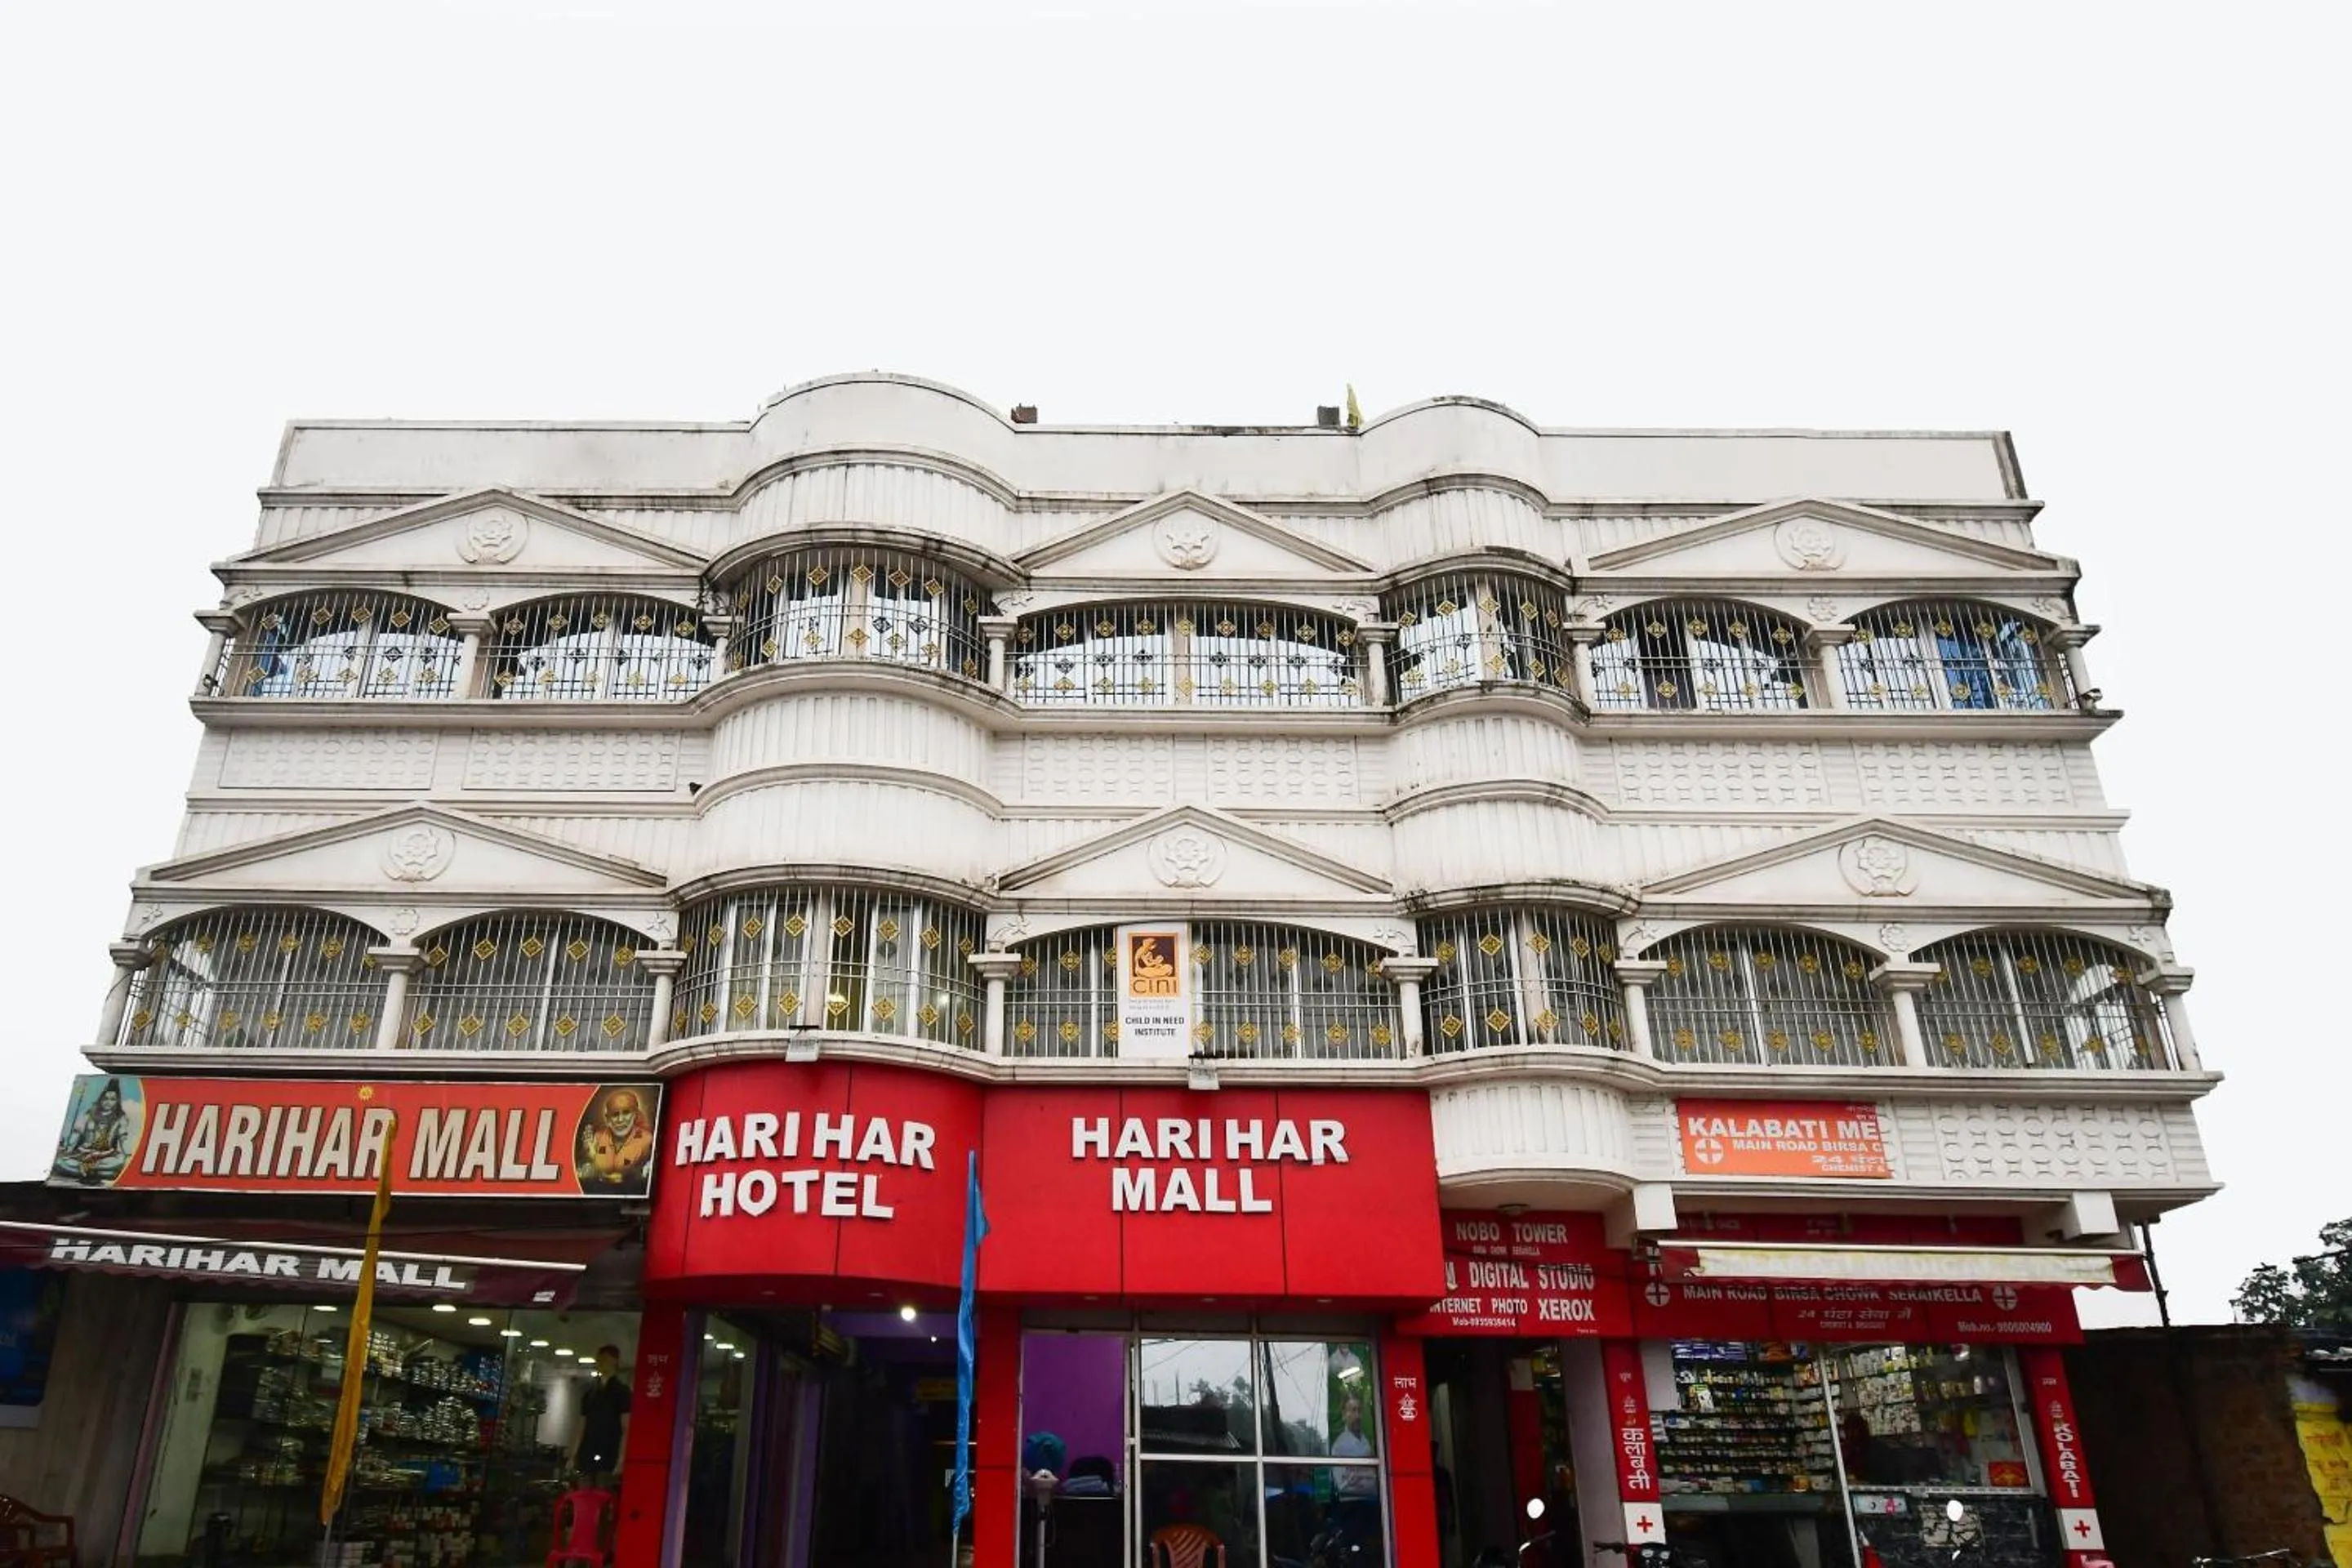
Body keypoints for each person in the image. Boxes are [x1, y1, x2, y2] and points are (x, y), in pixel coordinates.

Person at [570, 1344, 633, 1485]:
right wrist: (573, 1454)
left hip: (608, 1452)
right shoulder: (591, 1393)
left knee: (602, 1491)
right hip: (588, 1453)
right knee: (585, 1491)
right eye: (599, 1359)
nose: (600, 1363)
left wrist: (621, 1459)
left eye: (604, 1359)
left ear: (614, 1361)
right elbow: (582, 1426)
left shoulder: (621, 1393)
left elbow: (626, 1427)